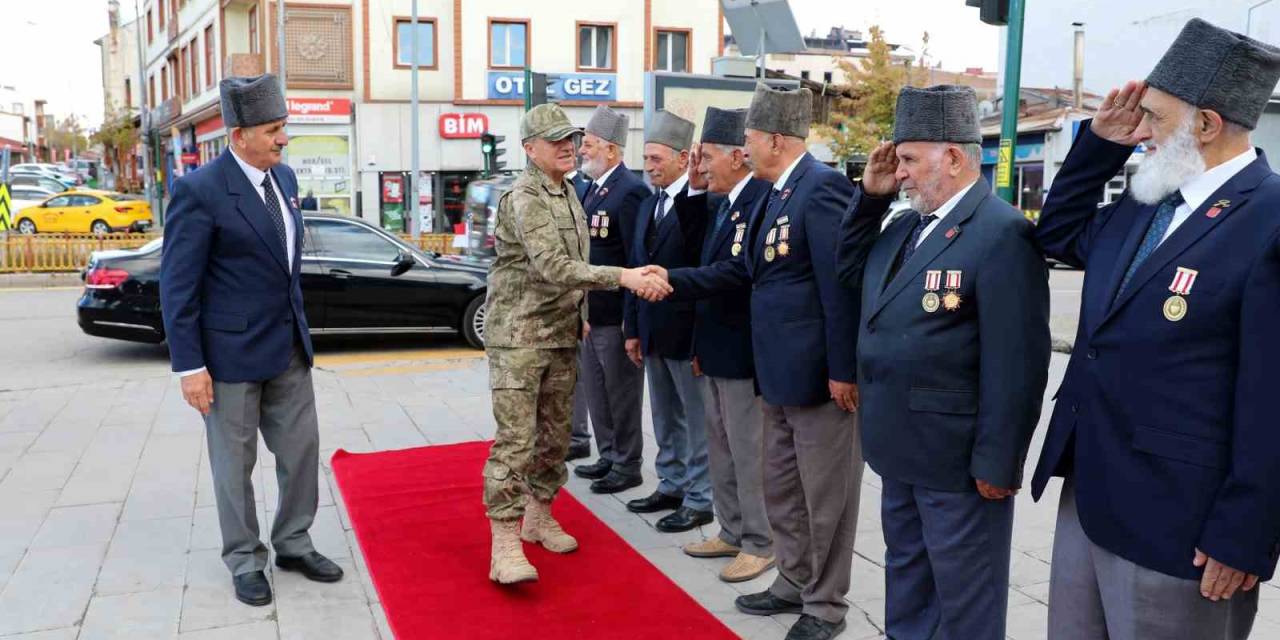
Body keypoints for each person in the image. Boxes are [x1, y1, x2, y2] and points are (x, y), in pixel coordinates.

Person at [1029, 18, 1280, 640]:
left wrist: (1246, 533)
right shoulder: (1148, 199)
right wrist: (1098, 145)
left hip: (1182, 523)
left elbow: (1272, 398)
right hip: (1090, 491)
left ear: (1206, 125)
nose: (1141, 135)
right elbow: (1057, 235)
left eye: (1156, 120)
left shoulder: (1269, 221)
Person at [836, 85, 1051, 639]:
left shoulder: (1003, 232)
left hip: (958, 461)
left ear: (952, 157)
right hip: (898, 446)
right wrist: (869, 199)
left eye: (908, 159)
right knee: (907, 578)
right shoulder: (905, 224)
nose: (900, 172)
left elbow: (1018, 362)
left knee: (965, 594)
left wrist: (999, 462)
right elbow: (848, 275)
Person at [651, 84, 864, 640]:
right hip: (775, 371)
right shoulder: (776, 193)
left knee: (825, 500)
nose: (743, 149)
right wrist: (671, 279)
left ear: (774, 139)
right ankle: (792, 582)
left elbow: (839, 286)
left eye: (748, 139)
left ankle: (825, 606)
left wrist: (843, 368)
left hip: (817, 376)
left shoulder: (821, 190)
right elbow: (747, 271)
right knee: (783, 490)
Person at [159, 74, 343, 607]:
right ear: (239, 134)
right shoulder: (200, 191)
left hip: (287, 350)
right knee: (234, 467)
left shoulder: (283, 180)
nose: (282, 139)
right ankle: (244, 558)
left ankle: (293, 542)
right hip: (229, 359)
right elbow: (178, 286)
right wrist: (189, 366)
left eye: (283, 127)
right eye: (272, 130)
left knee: (301, 453)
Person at [481, 103, 670, 585]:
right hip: (520, 338)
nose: (568, 146)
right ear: (530, 149)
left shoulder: (566, 192)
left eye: (571, 138)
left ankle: (538, 516)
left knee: (555, 437)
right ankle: (504, 542)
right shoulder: (524, 197)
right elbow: (555, 268)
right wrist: (624, 277)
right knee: (516, 442)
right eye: (556, 140)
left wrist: (581, 316)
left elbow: (572, 267)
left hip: (561, 333)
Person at [674, 106, 776, 583]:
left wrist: (668, 280)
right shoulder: (725, 199)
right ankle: (731, 529)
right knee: (721, 447)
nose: (702, 164)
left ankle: (761, 540)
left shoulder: (759, 199)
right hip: (714, 347)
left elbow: (735, 271)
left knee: (748, 451)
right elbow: (697, 246)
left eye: (708, 156)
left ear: (739, 155)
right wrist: (694, 187)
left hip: (742, 352)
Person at [622, 110, 715, 533]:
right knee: (663, 415)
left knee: (697, 420)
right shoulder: (648, 204)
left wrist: (701, 341)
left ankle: (701, 497)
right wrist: (633, 329)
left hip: (688, 332)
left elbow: (704, 271)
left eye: (657, 158)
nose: (649, 166)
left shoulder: (702, 204)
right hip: (653, 330)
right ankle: (672, 483)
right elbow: (634, 268)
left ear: (683, 157)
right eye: (646, 158)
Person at [569, 105, 653, 495]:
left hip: (615, 313)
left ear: (611, 150)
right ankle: (607, 453)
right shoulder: (592, 189)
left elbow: (636, 256)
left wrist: (631, 319)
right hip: (589, 312)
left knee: (621, 393)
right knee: (598, 390)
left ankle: (627, 462)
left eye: (587, 145)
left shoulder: (631, 191)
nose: (581, 151)